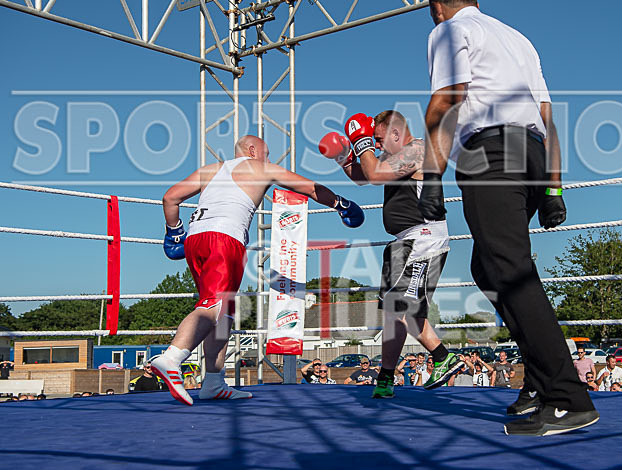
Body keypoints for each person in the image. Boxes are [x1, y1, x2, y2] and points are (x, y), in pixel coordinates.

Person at [418, 0, 597, 435]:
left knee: (511, 271)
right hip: (531, 153)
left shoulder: (449, 30)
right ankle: (538, 383)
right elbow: (546, 115)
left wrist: (431, 176)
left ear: (437, 8)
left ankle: (568, 396)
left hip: (490, 155)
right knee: (488, 267)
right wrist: (553, 187)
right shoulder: (518, 40)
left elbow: (446, 99)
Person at [152, 136, 364, 406]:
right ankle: (172, 358)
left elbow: (170, 198)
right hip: (224, 239)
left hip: (195, 240)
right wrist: (341, 204)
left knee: (224, 313)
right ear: (252, 150)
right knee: (214, 305)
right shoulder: (260, 167)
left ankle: (213, 382)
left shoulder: (211, 169)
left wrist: (174, 232)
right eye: (267, 152)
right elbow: (310, 188)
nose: (268, 158)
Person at [322, 110, 462, 400]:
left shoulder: (417, 150)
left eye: (378, 138)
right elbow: (363, 176)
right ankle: (386, 378)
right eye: (372, 140)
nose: (376, 144)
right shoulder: (393, 158)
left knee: (402, 309)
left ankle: (442, 357)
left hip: (422, 239)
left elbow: (374, 175)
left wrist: (360, 140)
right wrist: (343, 156)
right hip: (406, 240)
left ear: (395, 132)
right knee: (393, 313)